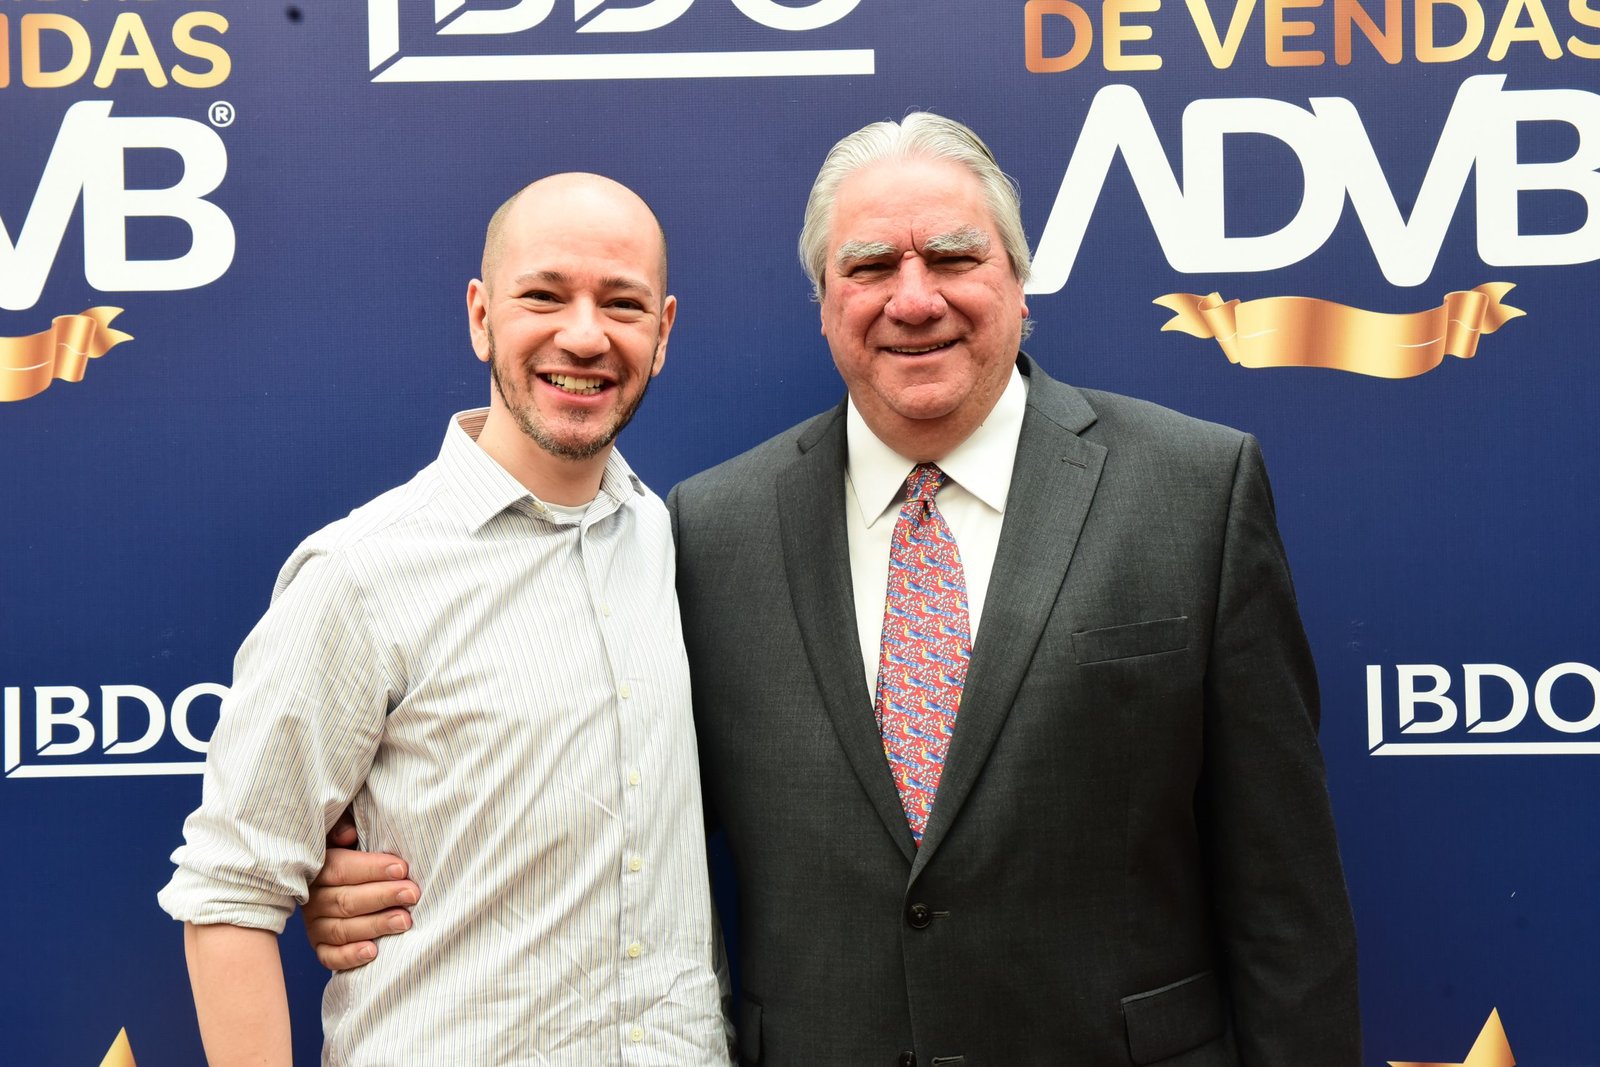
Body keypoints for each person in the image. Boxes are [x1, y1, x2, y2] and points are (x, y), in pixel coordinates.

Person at [306, 115, 1361, 1065]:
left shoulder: (1194, 489)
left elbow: (1286, 899)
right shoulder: (710, 529)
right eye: (870, 265)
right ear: (824, 304)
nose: (915, 296)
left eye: (954, 255)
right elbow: (613, 794)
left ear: (1018, 282)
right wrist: (370, 872)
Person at [159, 173, 731, 1066]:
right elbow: (230, 893)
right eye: (544, 295)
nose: (585, 334)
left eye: (621, 304)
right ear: (481, 316)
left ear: (662, 334)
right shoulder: (361, 572)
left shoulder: (671, 541)